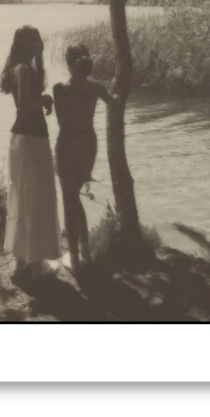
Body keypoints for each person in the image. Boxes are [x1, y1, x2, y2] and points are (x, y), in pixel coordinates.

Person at [52, 44, 124, 269]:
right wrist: (119, 90)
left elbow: (62, 122)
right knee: (74, 198)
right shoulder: (97, 88)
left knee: (69, 199)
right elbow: (116, 102)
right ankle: (85, 251)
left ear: (68, 62)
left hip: (66, 145)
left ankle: (75, 257)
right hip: (87, 146)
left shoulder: (58, 89)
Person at [1, 26, 60, 271]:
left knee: (26, 196)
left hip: (22, 138)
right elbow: (26, 107)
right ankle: (33, 262)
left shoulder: (19, 68)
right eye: (34, 41)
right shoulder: (24, 70)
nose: (39, 44)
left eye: (39, 40)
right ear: (25, 44)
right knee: (35, 197)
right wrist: (45, 100)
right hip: (31, 138)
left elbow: (24, 104)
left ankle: (23, 260)